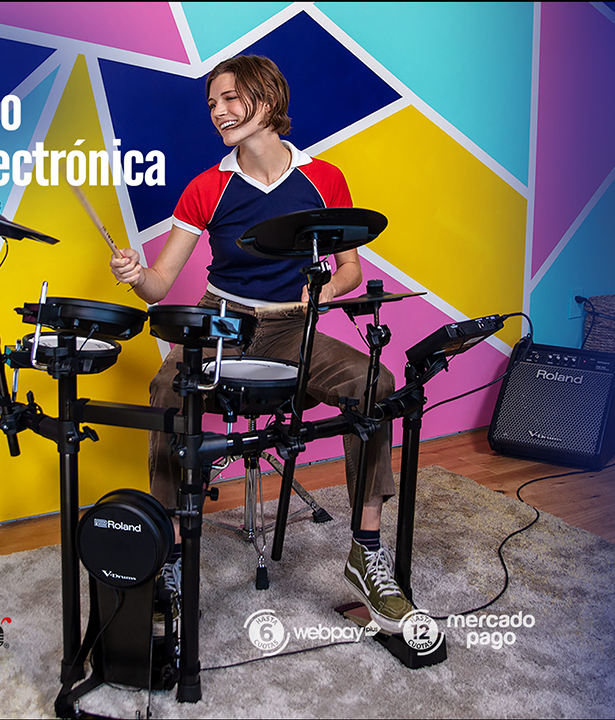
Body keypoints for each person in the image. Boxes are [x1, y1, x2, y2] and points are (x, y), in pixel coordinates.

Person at [108, 55, 415, 634]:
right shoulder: (207, 187)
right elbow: (159, 285)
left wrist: (319, 293)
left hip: (292, 324)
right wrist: (133, 273)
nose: (218, 112)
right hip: (220, 322)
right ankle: (171, 553)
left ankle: (366, 550)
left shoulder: (324, 179)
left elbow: (350, 270)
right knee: (167, 388)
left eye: (230, 98)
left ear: (268, 100)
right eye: (212, 103)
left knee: (374, 381)